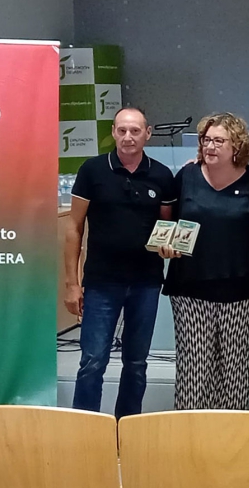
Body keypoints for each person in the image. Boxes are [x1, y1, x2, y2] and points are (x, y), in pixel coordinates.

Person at [159, 112, 249, 410]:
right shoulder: (186, 176)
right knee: (194, 371)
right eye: (206, 140)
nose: (210, 146)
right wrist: (165, 245)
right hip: (190, 288)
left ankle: (228, 442)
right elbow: (167, 223)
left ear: (237, 146)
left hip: (241, 290)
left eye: (219, 141)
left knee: (235, 371)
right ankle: (190, 441)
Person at [65, 107, 176, 419]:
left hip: (146, 282)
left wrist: (169, 246)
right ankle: (85, 430)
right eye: (122, 130)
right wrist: (72, 284)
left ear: (147, 133)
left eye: (135, 131)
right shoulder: (93, 170)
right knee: (92, 361)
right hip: (101, 282)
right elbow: (74, 228)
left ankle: (127, 426)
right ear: (113, 132)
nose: (128, 137)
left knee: (137, 363)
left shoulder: (162, 176)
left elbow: (167, 227)